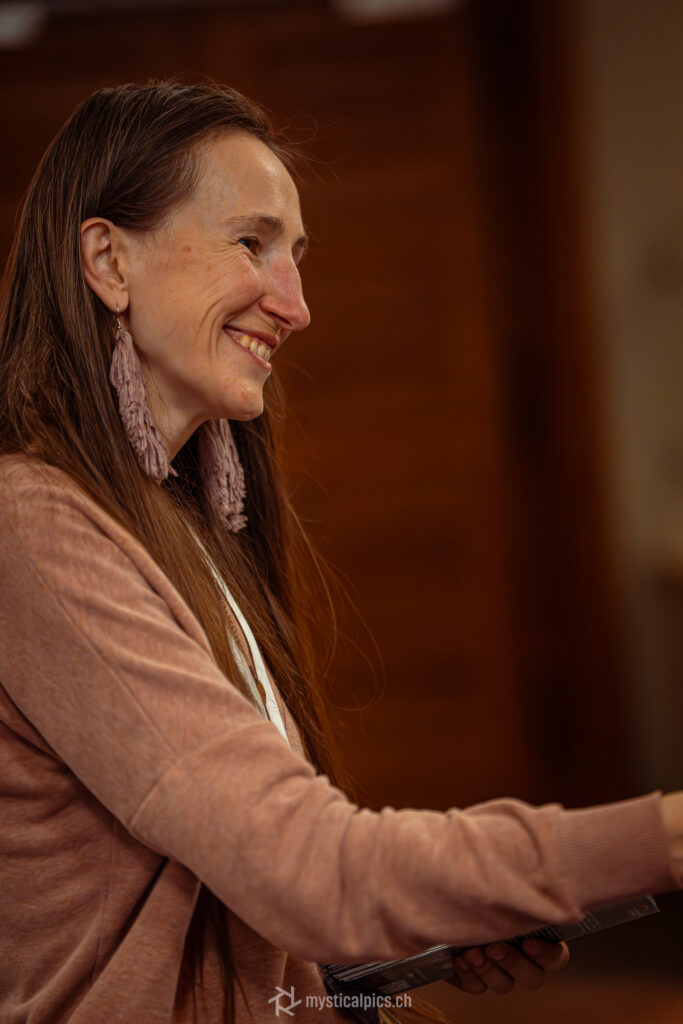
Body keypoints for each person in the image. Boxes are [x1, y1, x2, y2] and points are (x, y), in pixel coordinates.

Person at [0, 81, 681, 1024]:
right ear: (109, 261)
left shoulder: (179, 525)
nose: (296, 306)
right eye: (252, 243)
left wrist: (402, 944)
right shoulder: (32, 528)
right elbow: (307, 869)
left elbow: (243, 909)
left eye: (297, 256)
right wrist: (662, 836)